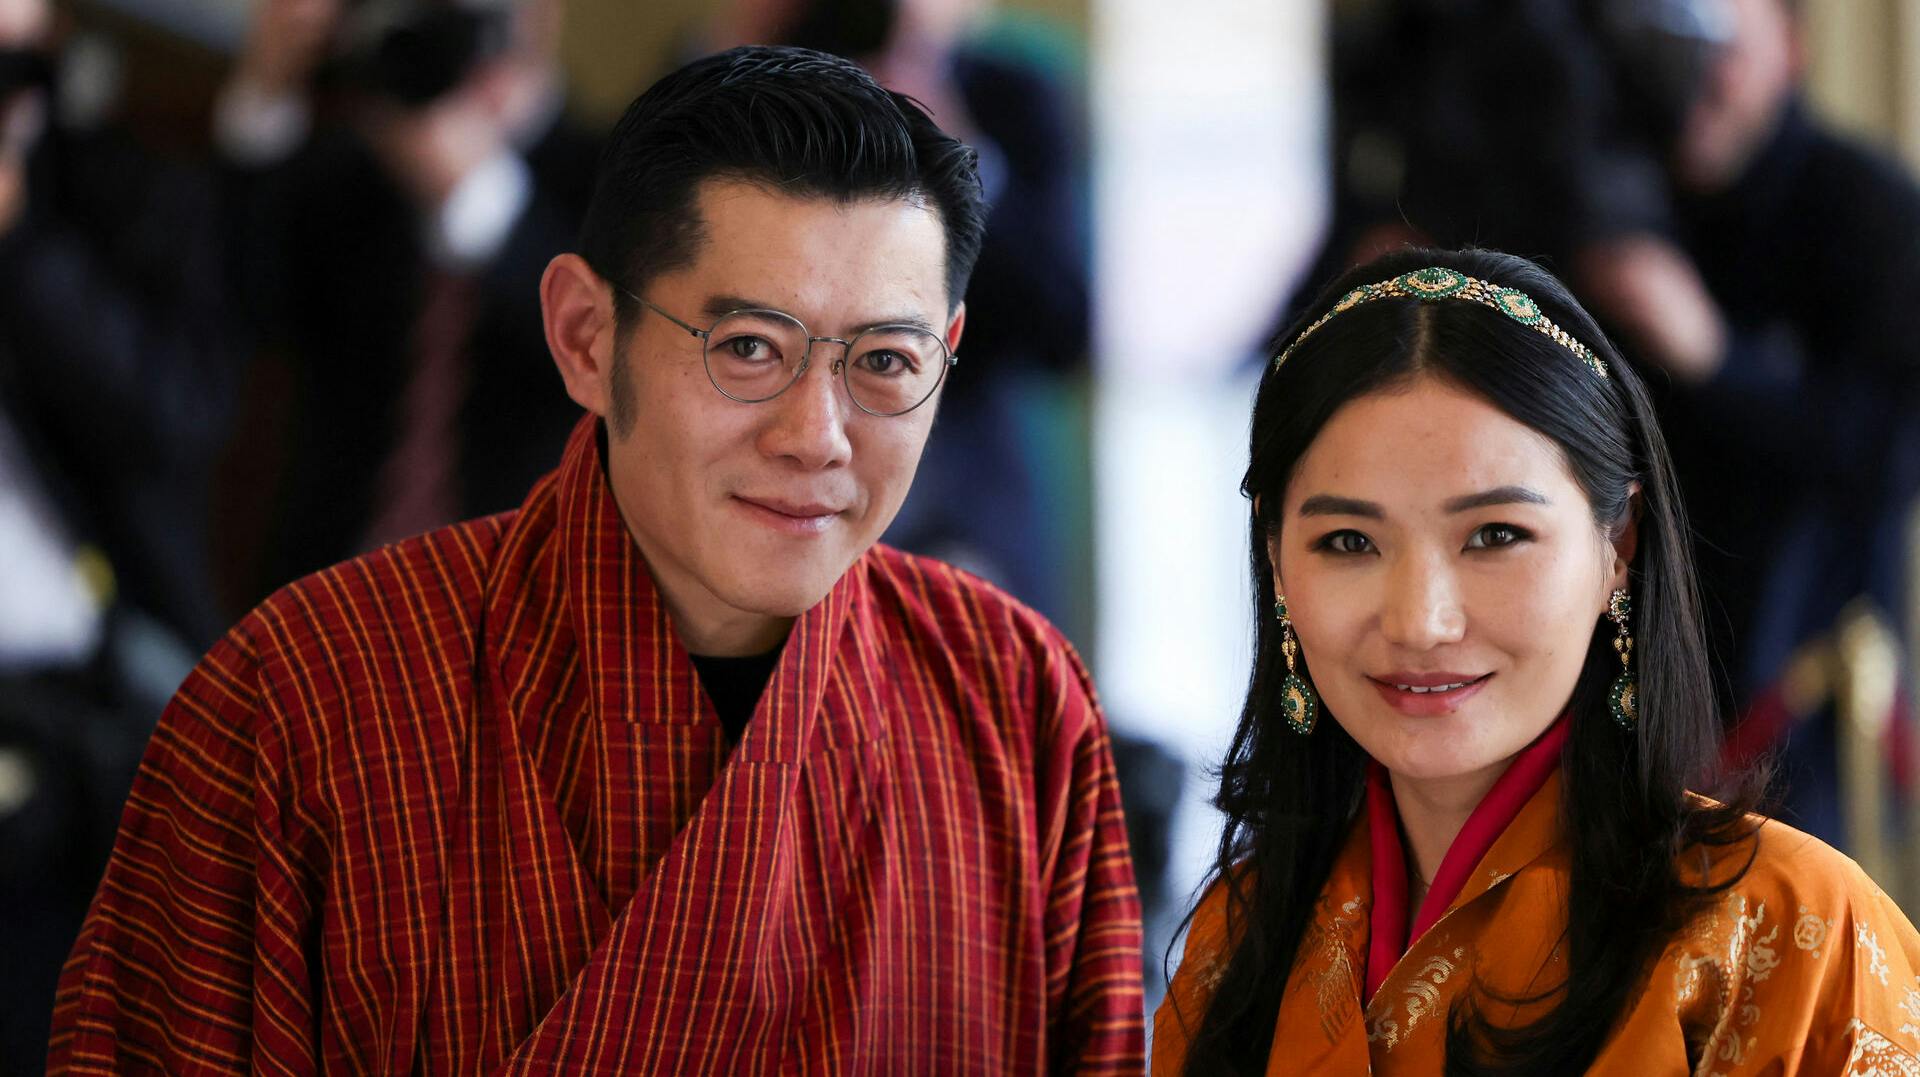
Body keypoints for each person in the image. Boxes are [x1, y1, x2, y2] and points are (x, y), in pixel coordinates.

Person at [49, 46, 1144, 1073]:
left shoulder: (1014, 701)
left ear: (947, 356)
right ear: (584, 336)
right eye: (749, 348)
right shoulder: (301, 694)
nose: (817, 434)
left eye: (885, 361)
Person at [1153, 248, 1920, 1074]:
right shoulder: (1235, 943)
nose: (1421, 620)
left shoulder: (1797, 933)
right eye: (1348, 542)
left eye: (1495, 536)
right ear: (1277, 562)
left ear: (1617, 546)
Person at [214, 0, 599, 602]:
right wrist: (269, 89)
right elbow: (235, 308)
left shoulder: (621, 176)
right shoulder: (354, 169)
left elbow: (617, 365)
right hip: (321, 591)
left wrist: (477, 198)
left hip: (513, 614)